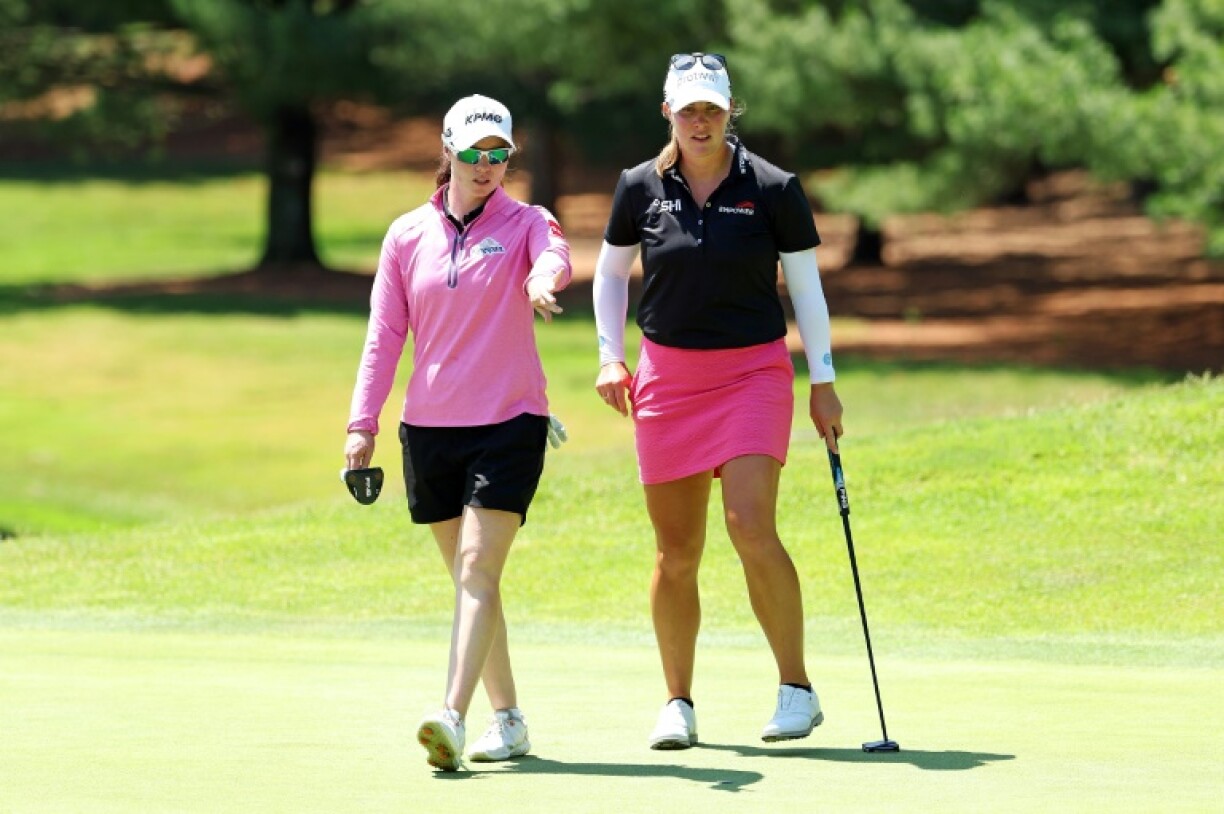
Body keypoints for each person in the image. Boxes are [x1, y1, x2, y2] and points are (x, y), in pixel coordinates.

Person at [592, 53, 844, 749]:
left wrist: (822, 382)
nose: (700, 122)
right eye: (687, 110)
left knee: (750, 525)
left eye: (711, 109)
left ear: (731, 110)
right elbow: (611, 275)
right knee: (676, 552)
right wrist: (610, 356)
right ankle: (678, 702)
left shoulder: (771, 186)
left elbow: (808, 290)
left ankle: (796, 688)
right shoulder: (638, 187)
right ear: (666, 112)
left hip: (752, 376)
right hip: (667, 381)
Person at [345, 94, 571, 771]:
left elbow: (553, 254)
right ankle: (510, 720)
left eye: (500, 153)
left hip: (509, 423)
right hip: (430, 431)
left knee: (477, 568)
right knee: (476, 582)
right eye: (474, 152)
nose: (487, 165)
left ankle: (451, 713)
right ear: (448, 149)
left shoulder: (527, 220)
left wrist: (540, 281)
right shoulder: (406, 234)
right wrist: (363, 424)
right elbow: (385, 335)